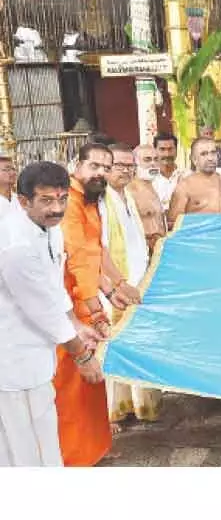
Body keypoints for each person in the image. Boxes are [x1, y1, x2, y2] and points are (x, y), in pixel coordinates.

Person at [0, 161, 106, 466]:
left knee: (44, 436)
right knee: (20, 446)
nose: (56, 208)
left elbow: (53, 285)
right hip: (12, 358)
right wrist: (82, 356)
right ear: (24, 201)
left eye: (62, 199)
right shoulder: (15, 244)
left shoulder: (48, 228)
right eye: (46, 200)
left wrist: (75, 322)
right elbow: (41, 309)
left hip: (36, 356)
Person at [59, 143, 136, 465]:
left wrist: (117, 285)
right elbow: (77, 260)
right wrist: (96, 310)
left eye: (106, 168)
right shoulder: (68, 203)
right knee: (72, 383)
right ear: (78, 165)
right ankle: (72, 456)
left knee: (91, 383)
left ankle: (93, 450)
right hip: (68, 304)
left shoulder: (91, 200)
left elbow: (96, 250)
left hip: (86, 298)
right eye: (95, 166)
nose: (101, 174)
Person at [100, 145, 162, 426]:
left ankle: (138, 405)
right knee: (116, 343)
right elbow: (98, 247)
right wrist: (116, 284)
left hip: (137, 280)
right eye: (119, 165)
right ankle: (117, 409)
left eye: (129, 166)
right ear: (107, 168)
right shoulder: (102, 200)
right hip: (113, 287)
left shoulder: (128, 195)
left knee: (137, 342)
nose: (125, 170)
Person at [167, 138, 221, 227]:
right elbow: (173, 223)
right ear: (194, 159)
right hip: (199, 238)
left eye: (213, 153)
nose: (210, 158)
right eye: (204, 154)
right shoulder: (185, 186)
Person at [130, 145, 168, 254]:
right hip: (141, 251)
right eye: (147, 160)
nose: (153, 163)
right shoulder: (130, 190)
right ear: (134, 164)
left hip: (159, 249)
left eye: (156, 159)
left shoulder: (153, 188)